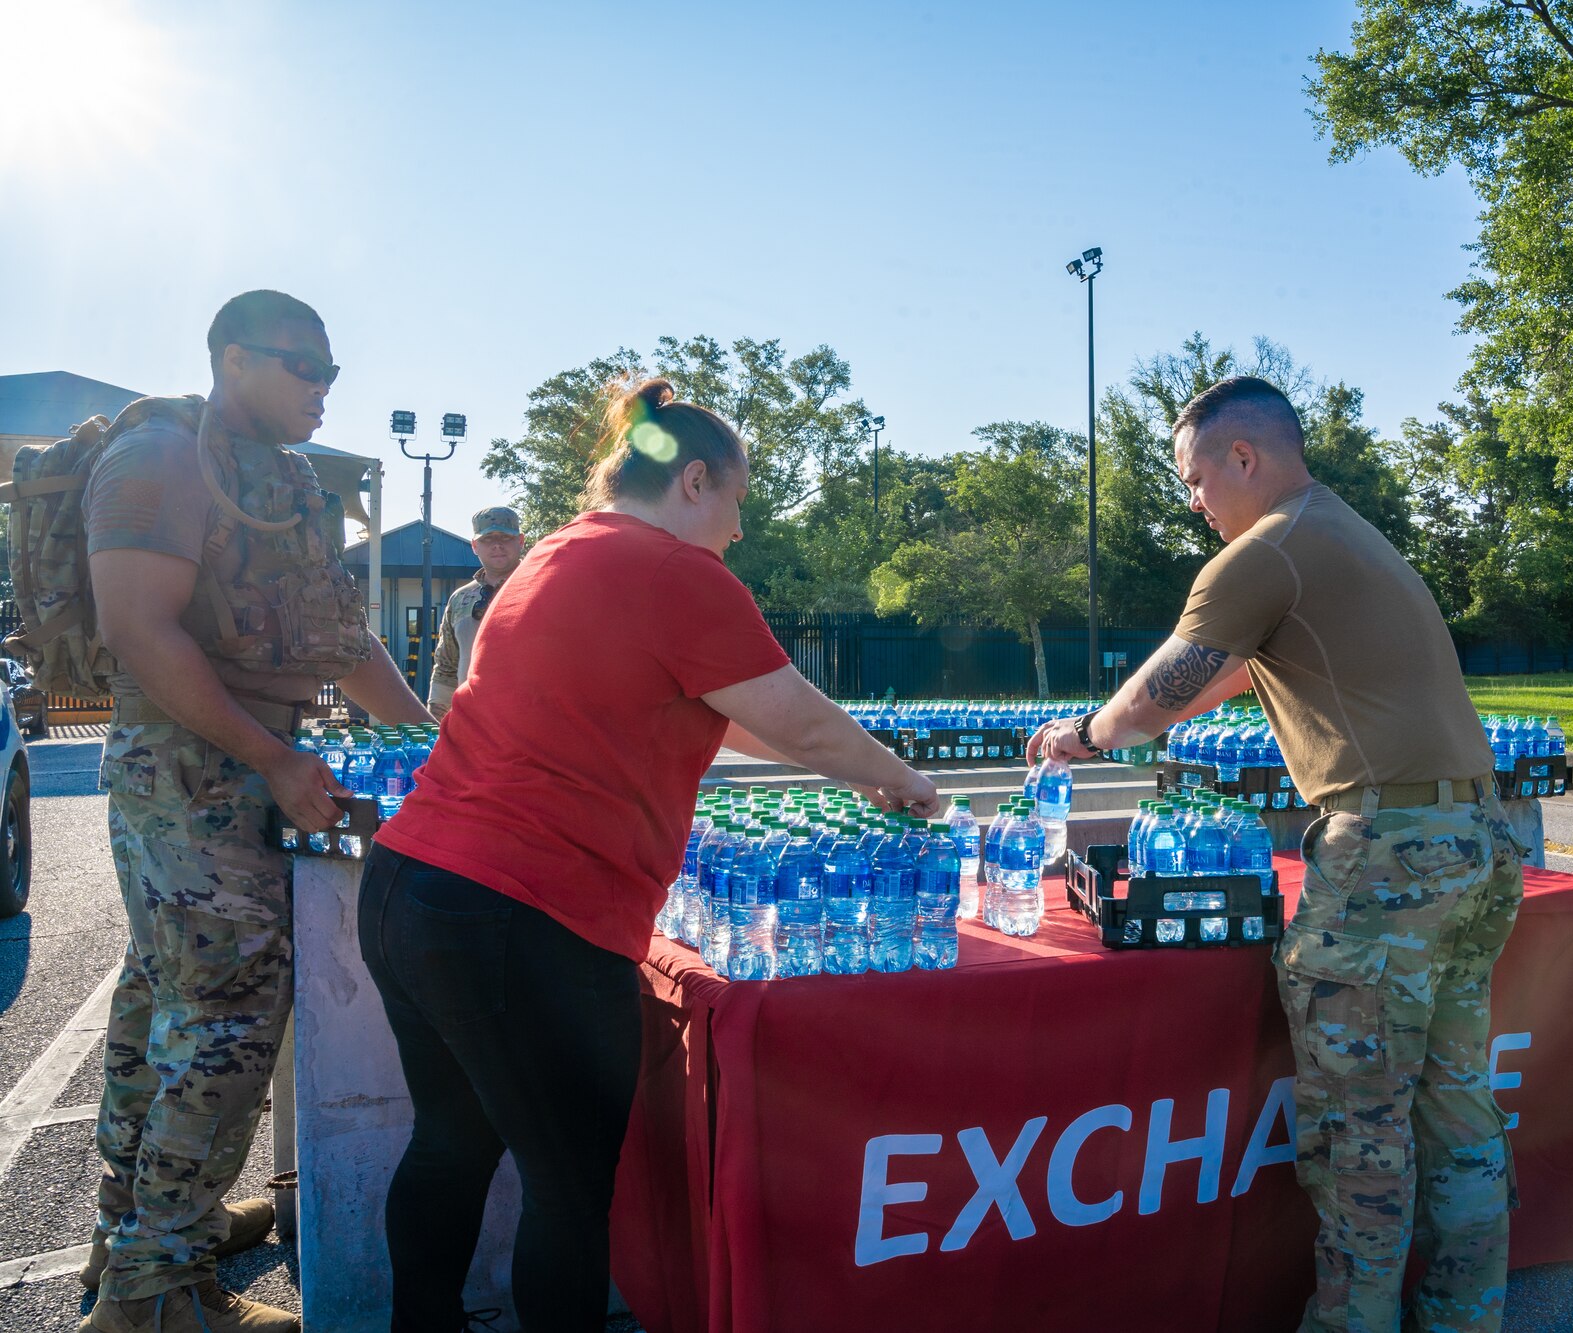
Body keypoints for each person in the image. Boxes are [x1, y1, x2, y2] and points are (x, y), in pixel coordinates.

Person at [359, 377, 941, 1331]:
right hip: (522, 912)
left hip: (411, 886)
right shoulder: (675, 572)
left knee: (451, 1142)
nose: (741, 530)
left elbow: (728, 703)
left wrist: (853, 769)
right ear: (696, 481)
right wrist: (899, 777)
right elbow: (791, 709)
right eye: (740, 502)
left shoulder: (557, 553)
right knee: (570, 1187)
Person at [1029, 376, 1524, 1332]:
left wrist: (1085, 734)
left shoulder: (1264, 552)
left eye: (1195, 478)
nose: (1193, 502)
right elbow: (1222, 677)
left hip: (1390, 858)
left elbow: (1161, 694)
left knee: (1358, 1135)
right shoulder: (1339, 532)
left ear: (1243, 458)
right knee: (1458, 1118)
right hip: (1475, 838)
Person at [82, 290, 438, 1333]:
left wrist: (431, 741)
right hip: (187, 767)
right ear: (233, 361)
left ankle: (141, 1223)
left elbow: (343, 637)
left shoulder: (280, 479)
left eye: (333, 372)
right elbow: (137, 628)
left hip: (240, 767)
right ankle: (154, 1293)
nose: (325, 390)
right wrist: (275, 759)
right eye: (303, 368)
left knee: (167, 999)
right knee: (227, 1015)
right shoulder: (160, 455)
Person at [427, 504, 526, 717]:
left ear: (521, 541)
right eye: (488, 539)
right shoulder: (460, 599)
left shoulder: (541, 588)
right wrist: (437, 720)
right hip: (474, 721)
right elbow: (446, 667)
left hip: (529, 720)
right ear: (474, 546)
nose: (497, 545)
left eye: (506, 538)